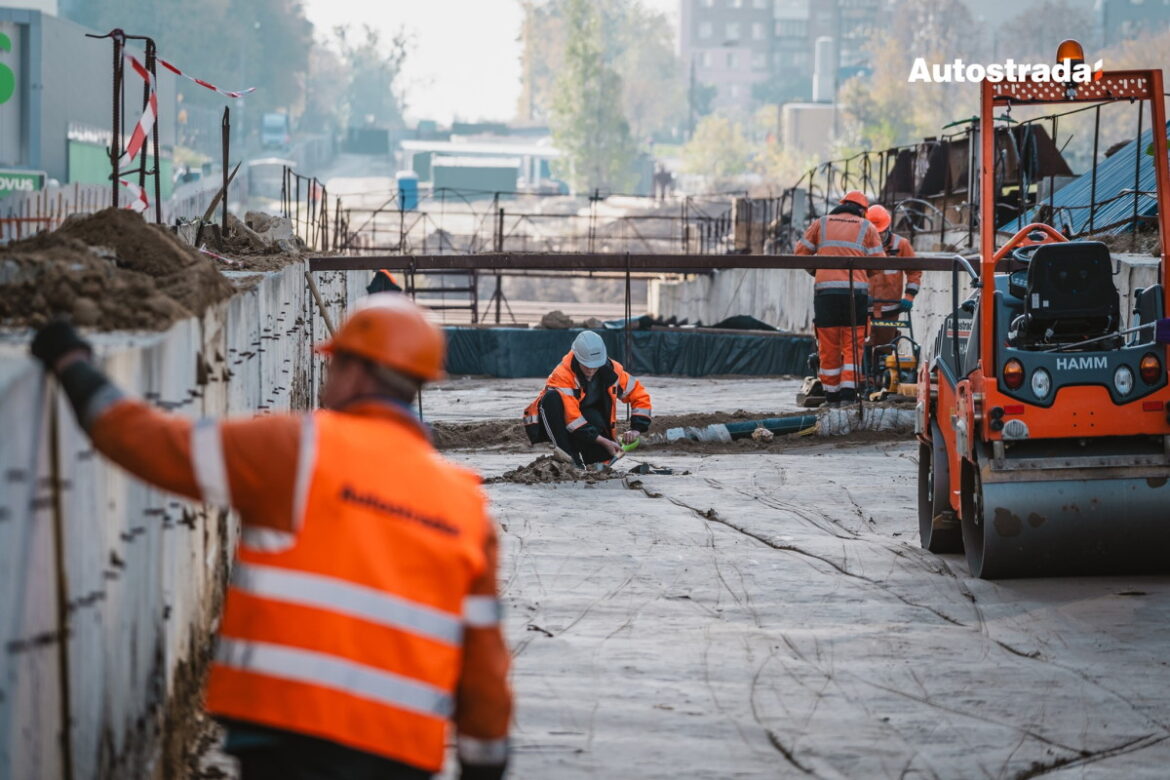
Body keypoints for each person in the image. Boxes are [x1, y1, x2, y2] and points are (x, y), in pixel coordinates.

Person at [29, 295, 511, 780]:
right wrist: (483, 763)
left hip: (286, 736)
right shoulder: (466, 505)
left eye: (332, 365)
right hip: (400, 751)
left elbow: (150, 444)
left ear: (355, 371)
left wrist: (72, 363)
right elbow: (485, 665)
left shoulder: (296, 450)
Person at [794, 190, 884, 407]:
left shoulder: (821, 223)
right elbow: (879, 263)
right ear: (863, 210)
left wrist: (818, 271)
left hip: (826, 295)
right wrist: (863, 275)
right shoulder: (867, 227)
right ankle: (848, 397)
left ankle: (831, 397)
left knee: (828, 345)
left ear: (842, 204)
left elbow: (800, 253)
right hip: (856, 295)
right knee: (853, 345)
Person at [523, 331, 652, 467]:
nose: (591, 370)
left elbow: (639, 394)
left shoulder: (612, 371)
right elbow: (572, 418)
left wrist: (637, 428)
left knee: (603, 455)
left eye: (595, 365)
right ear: (578, 358)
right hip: (557, 423)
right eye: (587, 365)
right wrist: (602, 440)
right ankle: (567, 457)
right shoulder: (562, 375)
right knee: (551, 398)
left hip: (586, 420)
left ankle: (590, 457)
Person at [864, 204, 921, 349]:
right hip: (864, 308)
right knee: (861, 350)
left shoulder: (901, 245)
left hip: (890, 310)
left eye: (880, 232)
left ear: (887, 227)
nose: (877, 236)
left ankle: (884, 369)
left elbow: (914, 271)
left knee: (886, 350)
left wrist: (909, 296)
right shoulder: (860, 245)